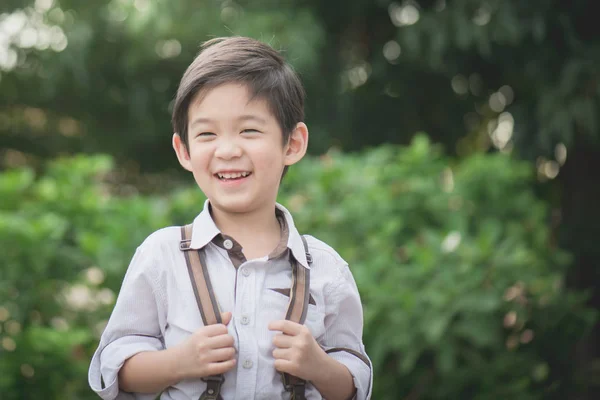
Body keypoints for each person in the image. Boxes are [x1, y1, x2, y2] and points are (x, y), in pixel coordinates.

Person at [88, 36, 372, 400]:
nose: (228, 150)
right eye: (207, 134)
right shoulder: (161, 255)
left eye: (249, 130)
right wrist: (178, 362)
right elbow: (116, 368)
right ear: (184, 150)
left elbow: (355, 383)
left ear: (293, 144)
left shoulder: (327, 269)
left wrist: (319, 366)